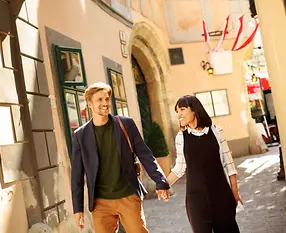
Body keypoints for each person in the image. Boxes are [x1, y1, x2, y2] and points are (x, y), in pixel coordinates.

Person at [71, 82, 170, 233]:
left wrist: (160, 180)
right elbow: (77, 174)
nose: (105, 103)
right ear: (89, 104)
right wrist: (78, 209)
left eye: (106, 99)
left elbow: (145, 155)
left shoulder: (125, 124)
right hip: (100, 203)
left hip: (128, 196)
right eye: (99, 100)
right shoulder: (81, 135)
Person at [166, 95, 242, 233]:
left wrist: (235, 193)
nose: (179, 115)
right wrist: (164, 185)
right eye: (177, 111)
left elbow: (229, 164)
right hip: (197, 201)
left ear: (194, 110)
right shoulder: (181, 137)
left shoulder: (216, 131)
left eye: (182, 109)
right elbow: (180, 168)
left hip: (221, 197)